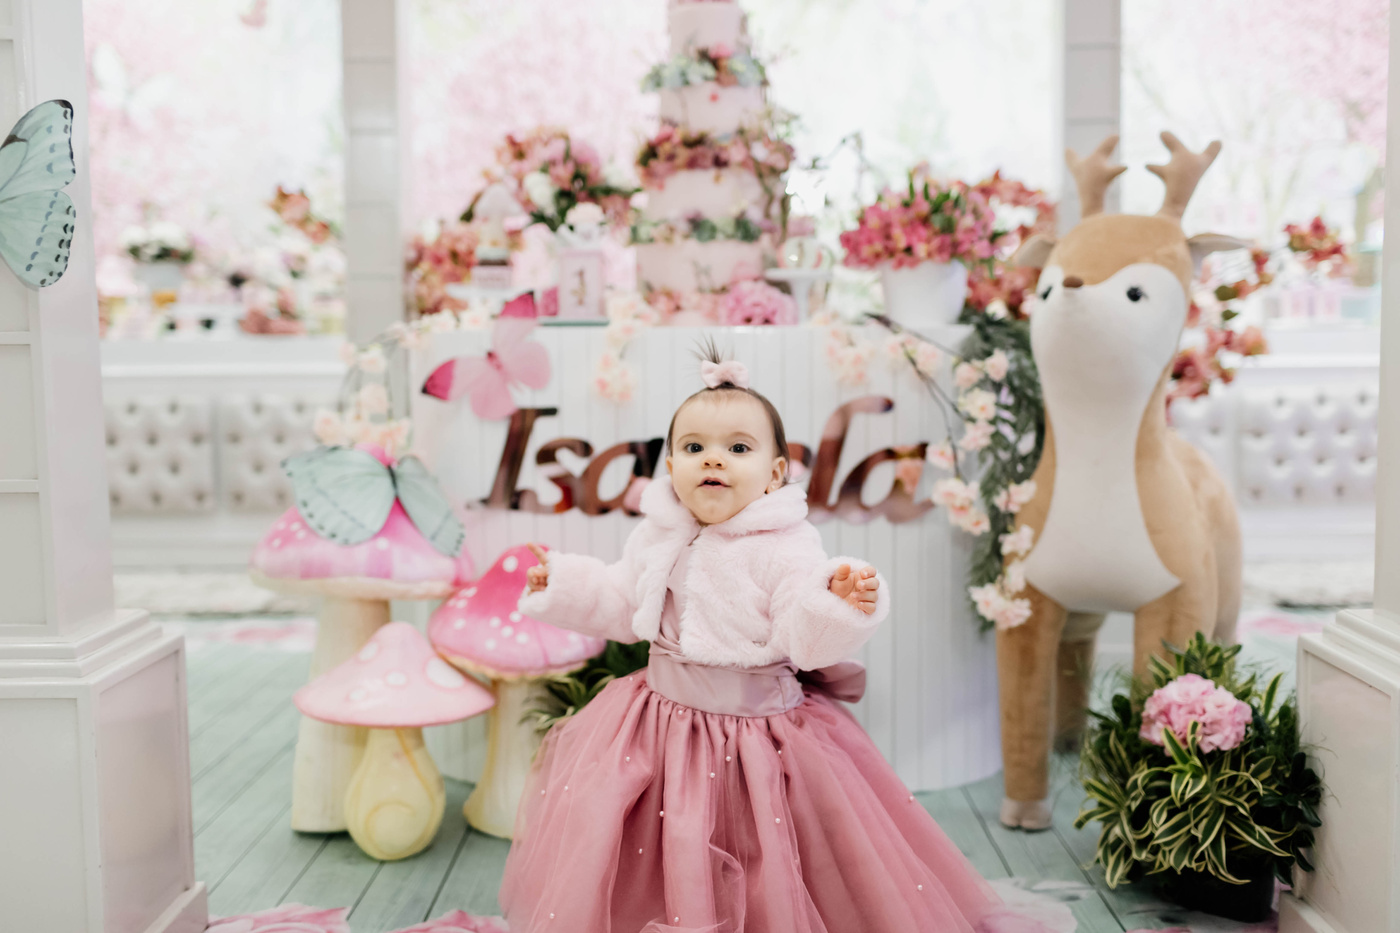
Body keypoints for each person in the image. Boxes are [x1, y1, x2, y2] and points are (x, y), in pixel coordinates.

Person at [498, 350, 999, 932]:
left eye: (738, 448)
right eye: (694, 447)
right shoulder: (659, 534)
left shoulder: (785, 545)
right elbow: (622, 599)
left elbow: (804, 636)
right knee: (656, 847)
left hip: (757, 739)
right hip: (658, 724)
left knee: (765, 853)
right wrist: (563, 585)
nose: (713, 458)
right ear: (672, 466)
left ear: (775, 473)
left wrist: (835, 605)